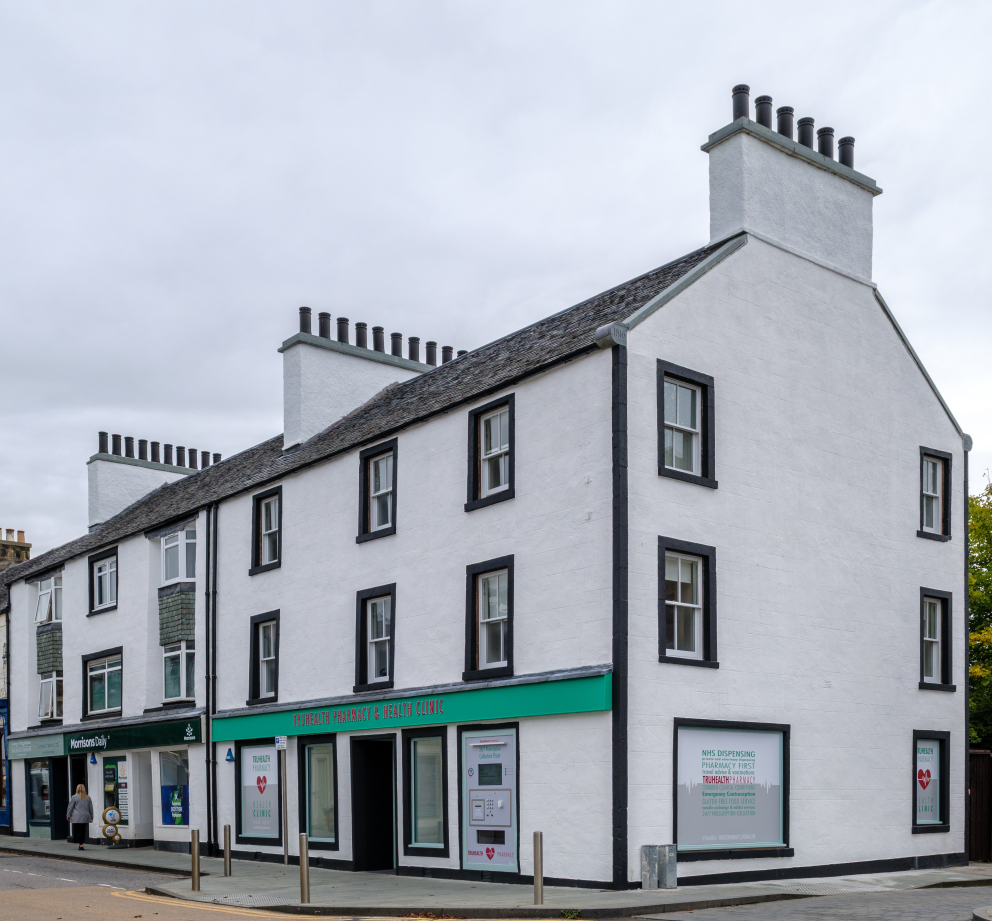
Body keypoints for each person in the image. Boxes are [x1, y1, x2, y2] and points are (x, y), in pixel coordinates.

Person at [66, 784, 93, 849]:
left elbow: (70, 807)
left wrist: (68, 815)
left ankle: (81, 844)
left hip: (76, 817)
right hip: (85, 816)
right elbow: (91, 808)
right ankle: (82, 843)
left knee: (78, 831)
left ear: (77, 789)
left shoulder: (74, 797)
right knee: (83, 831)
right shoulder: (88, 797)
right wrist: (92, 816)